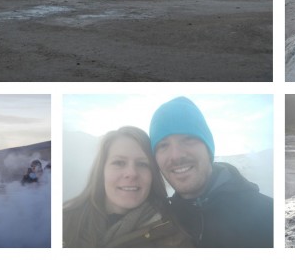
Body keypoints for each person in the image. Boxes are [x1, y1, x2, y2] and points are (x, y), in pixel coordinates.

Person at [150, 96, 274, 247]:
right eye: (163, 145)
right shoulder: (159, 224)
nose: (176, 155)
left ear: (208, 149)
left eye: (188, 139)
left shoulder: (268, 216)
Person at [63, 126, 192, 247]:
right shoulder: (61, 222)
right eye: (119, 163)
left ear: (153, 175)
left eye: (142, 164)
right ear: (102, 170)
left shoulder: (173, 237)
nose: (131, 173)